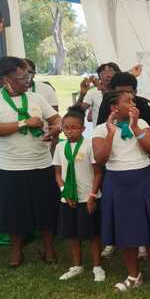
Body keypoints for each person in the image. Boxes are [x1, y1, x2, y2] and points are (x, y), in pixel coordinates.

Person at [0, 56, 61, 267]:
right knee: (13, 211)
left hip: (41, 163)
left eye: (28, 77)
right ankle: (16, 251)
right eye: (22, 78)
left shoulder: (36, 98)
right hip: (9, 166)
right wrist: (24, 122)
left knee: (45, 208)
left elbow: (56, 118)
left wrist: (56, 129)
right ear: (6, 79)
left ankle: (49, 248)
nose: (27, 82)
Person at [92, 90, 150, 293]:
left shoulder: (141, 124)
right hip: (117, 182)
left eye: (133, 100)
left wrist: (134, 127)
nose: (133, 104)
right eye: (128, 101)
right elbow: (100, 159)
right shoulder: (100, 129)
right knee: (124, 229)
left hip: (142, 179)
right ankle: (134, 275)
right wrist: (110, 133)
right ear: (114, 108)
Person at [53, 107, 104, 282]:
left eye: (74, 127)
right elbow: (58, 173)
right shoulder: (60, 147)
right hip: (68, 198)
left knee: (93, 234)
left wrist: (92, 196)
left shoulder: (89, 145)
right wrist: (64, 192)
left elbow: (98, 173)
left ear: (82, 128)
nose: (69, 131)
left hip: (87, 197)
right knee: (72, 234)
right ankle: (77, 265)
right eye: (66, 127)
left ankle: (97, 266)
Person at [76, 62, 121, 128]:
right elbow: (78, 111)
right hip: (100, 133)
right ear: (99, 78)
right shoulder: (93, 92)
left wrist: (101, 88)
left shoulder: (121, 91)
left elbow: (110, 104)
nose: (107, 75)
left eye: (111, 72)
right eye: (103, 73)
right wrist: (82, 94)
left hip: (120, 132)